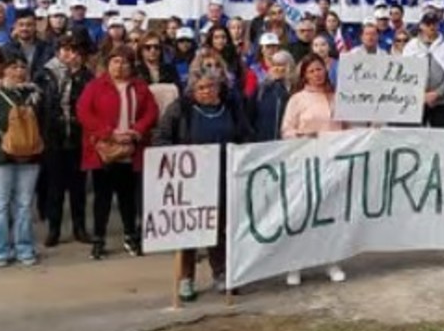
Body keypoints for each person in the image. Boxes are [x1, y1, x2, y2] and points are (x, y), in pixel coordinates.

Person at [154, 68, 252, 299]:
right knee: (191, 229)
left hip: (224, 175)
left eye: (211, 87)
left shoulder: (230, 108)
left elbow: (246, 135)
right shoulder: (181, 109)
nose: (207, 92)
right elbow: (161, 138)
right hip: (191, 179)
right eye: (201, 88)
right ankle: (186, 279)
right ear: (192, 90)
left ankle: (221, 274)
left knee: (219, 228)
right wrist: (180, 157)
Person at [77, 46, 159, 260]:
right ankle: (99, 239)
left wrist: (137, 131)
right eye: (115, 61)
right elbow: (84, 112)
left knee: (127, 198)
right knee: (102, 198)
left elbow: (151, 112)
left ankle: (130, 235)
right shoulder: (96, 86)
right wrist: (109, 134)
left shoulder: (140, 87)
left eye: (124, 62)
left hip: (131, 149)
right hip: (104, 150)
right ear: (108, 64)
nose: (120, 66)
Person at [280, 54, 346, 286]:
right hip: (305, 162)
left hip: (332, 161)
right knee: (303, 213)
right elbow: (286, 129)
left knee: (330, 212)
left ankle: (331, 260)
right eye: (312, 71)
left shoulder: (337, 97)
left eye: (320, 69)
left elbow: (348, 127)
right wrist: (302, 136)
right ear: (304, 75)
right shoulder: (297, 99)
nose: (317, 74)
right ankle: (295, 264)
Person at [0, 51, 43, 267]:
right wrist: (4, 147)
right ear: (4, 69)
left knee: (25, 205)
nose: (19, 71)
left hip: (31, 157)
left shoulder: (34, 94)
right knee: (0, 204)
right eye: (14, 67)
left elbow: (42, 124)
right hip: (1, 159)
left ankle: (24, 248)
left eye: (22, 67)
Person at [36, 34, 94, 247]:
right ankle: (54, 229)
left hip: (78, 136)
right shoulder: (45, 74)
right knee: (55, 187)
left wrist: (76, 76)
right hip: (53, 136)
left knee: (79, 187)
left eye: (75, 51)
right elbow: (39, 104)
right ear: (58, 52)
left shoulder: (87, 76)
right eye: (66, 50)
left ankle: (80, 227)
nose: (70, 55)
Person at [403, 13, 444, 128]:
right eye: (428, 24)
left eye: (434, 24)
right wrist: (421, 94)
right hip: (416, 100)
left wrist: (437, 93)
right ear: (421, 26)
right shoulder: (411, 47)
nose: (431, 27)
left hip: (442, 101)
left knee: (441, 138)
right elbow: (405, 73)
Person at [249, 50, 294, 142]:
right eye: (274, 65)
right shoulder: (262, 89)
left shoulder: (295, 89)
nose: (277, 69)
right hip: (263, 142)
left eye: (281, 65)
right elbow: (251, 115)